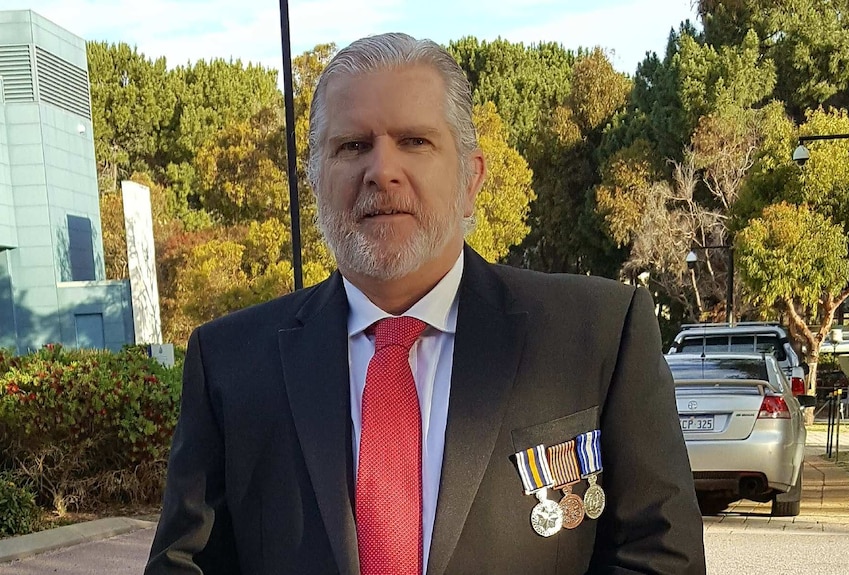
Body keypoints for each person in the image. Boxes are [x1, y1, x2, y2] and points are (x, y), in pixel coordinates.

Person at [146, 32, 706, 575]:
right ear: (315, 178)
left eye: (414, 141)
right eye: (352, 146)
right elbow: (186, 563)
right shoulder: (230, 364)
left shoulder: (598, 335)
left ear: (471, 177)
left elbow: (661, 556)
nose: (381, 170)